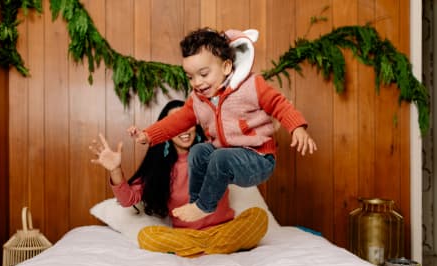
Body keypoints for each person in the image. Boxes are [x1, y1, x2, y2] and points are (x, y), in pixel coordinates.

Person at [129, 27, 317, 223]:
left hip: (258, 158)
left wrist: (297, 127)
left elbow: (279, 104)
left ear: (226, 67)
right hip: (227, 156)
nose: (197, 82)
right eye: (190, 77)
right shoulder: (198, 100)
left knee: (220, 156)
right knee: (199, 151)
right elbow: (176, 121)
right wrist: (148, 135)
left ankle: (205, 206)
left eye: (203, 74)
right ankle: (196, 202)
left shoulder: (251, 85)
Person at [90, 100, 268, 257]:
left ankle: (202, 247)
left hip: (226, 229)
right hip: (185, 236)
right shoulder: (159, 168)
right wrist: (115, 169)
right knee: (147, 235)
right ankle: (216, 247)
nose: (182, 128)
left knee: (258, 217)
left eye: (186, 121)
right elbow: (128, 199)